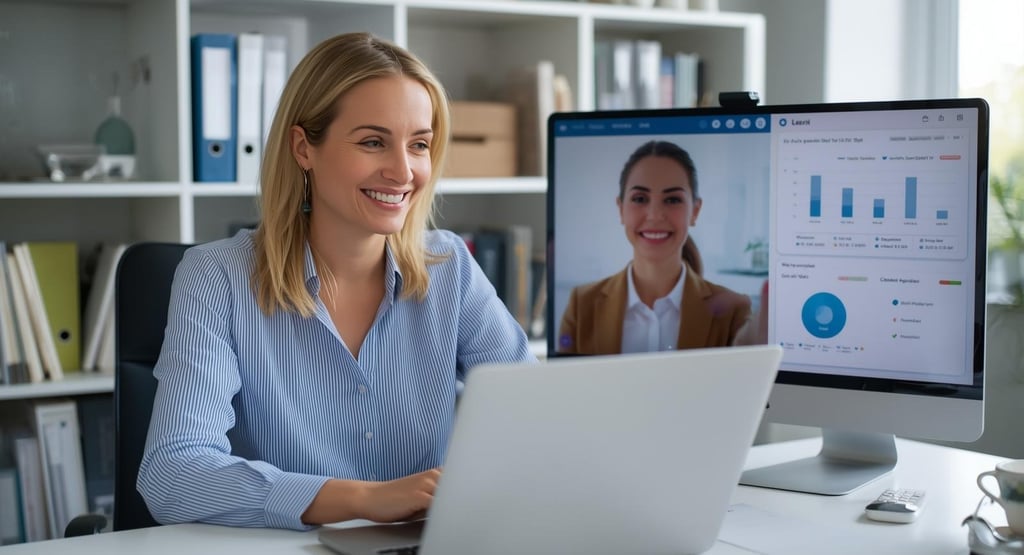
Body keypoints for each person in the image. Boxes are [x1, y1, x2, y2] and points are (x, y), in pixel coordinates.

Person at [137, 32, 535, 531]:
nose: (403, 171)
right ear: (304, 147)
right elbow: (172, 474)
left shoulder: (448, 265)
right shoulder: (216, 278)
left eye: (419, 145)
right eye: (373, 142)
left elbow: (537, 419)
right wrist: (363, 499)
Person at [557, 140, 753, 355]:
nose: (655, 215)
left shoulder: (734, 311)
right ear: (621, 209)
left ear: (695, 211)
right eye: (640, 198)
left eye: (672, 200)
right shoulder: (581, 304)